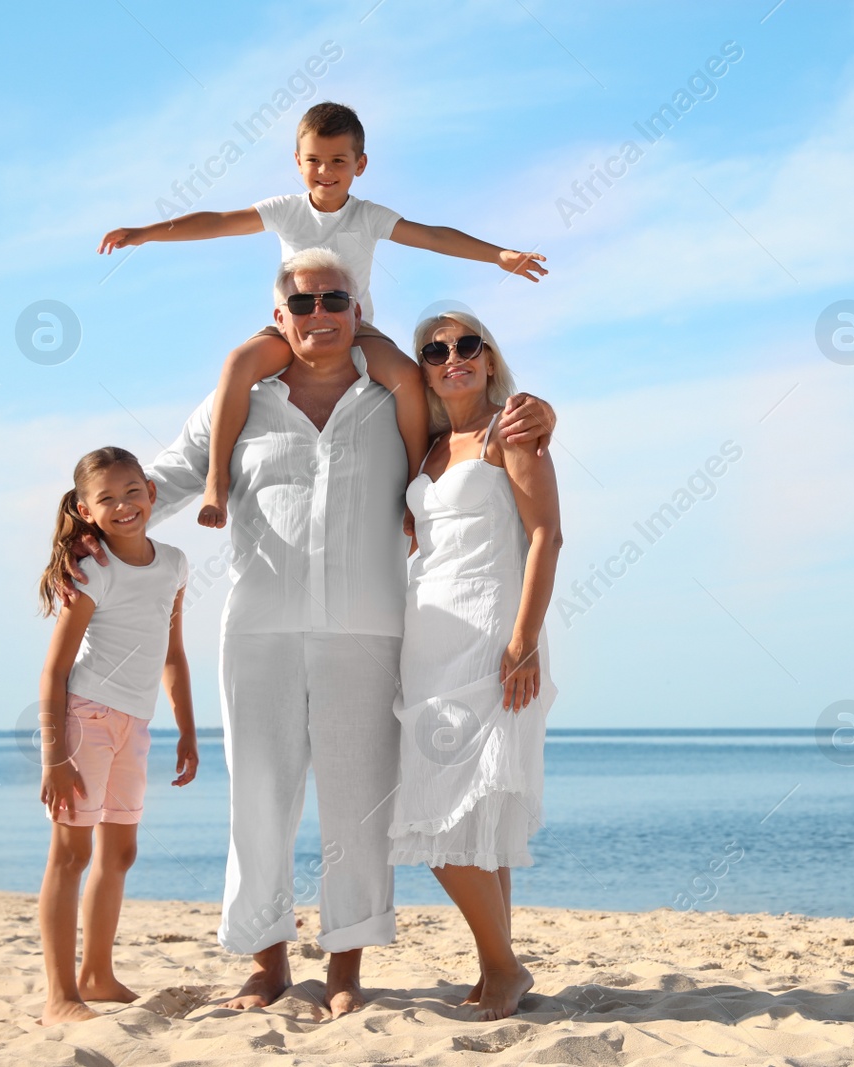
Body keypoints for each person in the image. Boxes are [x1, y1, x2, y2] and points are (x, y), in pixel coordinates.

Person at [66, 249, 555, 1019]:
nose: (319, 313)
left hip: (370, 630)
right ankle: (265, 962)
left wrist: (541, 411)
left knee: (359, 808)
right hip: (257, 629)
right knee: (258, 800)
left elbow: (476, 421)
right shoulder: (239, 403)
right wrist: (83, 535)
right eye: (303, 303)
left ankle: (344, 966)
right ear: (279, 316)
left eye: (336, 298)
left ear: (358, 310)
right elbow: (159, 484)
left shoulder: (401, 396)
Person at [96, 101, 547, 529]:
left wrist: (498, 256)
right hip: (292, 326)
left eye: (338, 161)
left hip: (356, 329)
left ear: (360, 165)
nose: (325, 172)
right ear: (297, 161)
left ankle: (414, 486)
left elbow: (432, 236)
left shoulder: (368, 216)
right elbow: (217, 221)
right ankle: (217, 480)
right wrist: (145, 233)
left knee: (408, 379)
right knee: (237, 363)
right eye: (314, 160)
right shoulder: (286, 210)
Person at [390, 310, 561, 1021]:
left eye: (467, 345)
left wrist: (523, 639)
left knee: (434, 810)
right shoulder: (428, 446)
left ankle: (501, 963)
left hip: (493, 636)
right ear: (423, 367)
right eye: (434, 350)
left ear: (490, 359)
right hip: (426, 637)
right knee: (473, 816)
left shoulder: (511, 430)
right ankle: (501, 968)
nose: (451, 357)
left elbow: (546, 535)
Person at [34, 447, 198, 1025]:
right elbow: (54, 672)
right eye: (107, 498)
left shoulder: (175, 563)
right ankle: (60, 996)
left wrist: (187, 728)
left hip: (137, 724)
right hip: (86, 721)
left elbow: (172, 654)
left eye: (132, 491)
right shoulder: (92, 569)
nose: (124, 505)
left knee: (120, 851)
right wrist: (54, 758)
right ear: (86, 509)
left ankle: (97, 975)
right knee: (72, 852)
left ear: (151, 492)